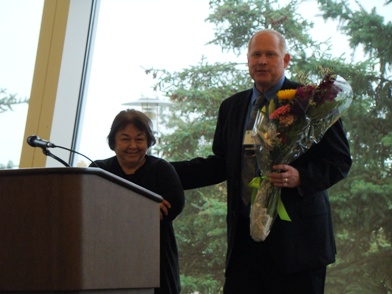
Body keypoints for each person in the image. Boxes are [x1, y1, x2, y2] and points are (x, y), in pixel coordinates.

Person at [171, 29, 352, 293]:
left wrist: (300, 177)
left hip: (299, 247)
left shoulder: (311, 101)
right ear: (248, 60)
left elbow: (339, 160)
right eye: (256, 54)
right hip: (245, 245)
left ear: (286, 59)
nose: (262, 61)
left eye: (270, 54)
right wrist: (160, 172)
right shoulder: (232, 107)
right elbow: (220, 164)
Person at [90, 109, 185, 294]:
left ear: (148, 142)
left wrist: (116, 209)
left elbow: (173, 207)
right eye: (125, 139)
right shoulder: (99, 170)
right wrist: (146, 209)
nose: (133, 145)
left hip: (156, 262)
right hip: (108, 261)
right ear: (113, 142)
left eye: (139, 139)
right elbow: (92, 211)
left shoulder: (162, 169)